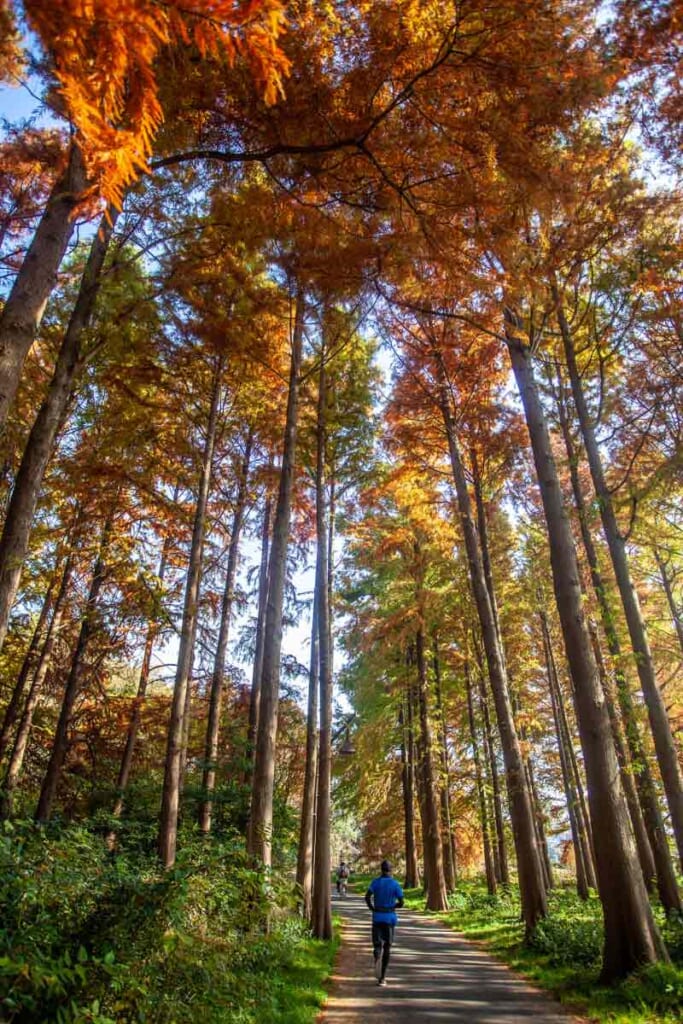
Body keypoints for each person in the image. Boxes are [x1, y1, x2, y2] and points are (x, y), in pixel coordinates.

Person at [365, 859, 404, 986]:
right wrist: (395, 906)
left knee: (377, 945)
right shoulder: (395, 884)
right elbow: (402, 902)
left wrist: (372, 908)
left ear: (381, 869)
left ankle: (377, 956)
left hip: (377, 917)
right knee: (387, 946)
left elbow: (367, 897)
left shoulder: (375, 882)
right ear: (391, 870)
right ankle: (382, 977)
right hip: (390, 918)